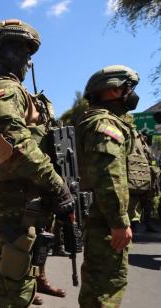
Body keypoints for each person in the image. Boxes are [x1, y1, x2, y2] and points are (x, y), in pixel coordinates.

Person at [0, 19, 73, 307]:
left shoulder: (18, 92)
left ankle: (31, 286)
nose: (27, 60)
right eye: (19, 50)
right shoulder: (3, 88)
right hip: (16, 200)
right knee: (12, 293)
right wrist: (57, 186)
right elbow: (13, 142)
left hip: (28, 198)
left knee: (19, 279)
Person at [76, 65, 139, 307]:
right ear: (113, 90)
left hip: (101, 218)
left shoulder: (99, 121)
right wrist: (118, 221)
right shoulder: (104, 125)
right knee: (107, 288)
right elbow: (109, 176)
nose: (131, 93)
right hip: (105, 221)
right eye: (129, 88)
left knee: (97, 287)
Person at [127, 130, 159, 233]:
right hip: (138, 177)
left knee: (148, 203)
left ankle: (148, 223)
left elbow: (152, 161)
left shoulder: (147, 148)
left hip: (149, 179)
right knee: (134, 203)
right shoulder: (135, 144)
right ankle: (133, 225)